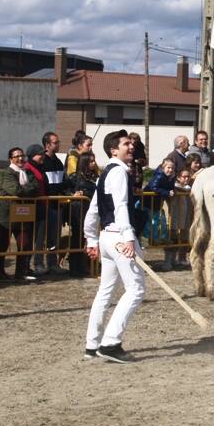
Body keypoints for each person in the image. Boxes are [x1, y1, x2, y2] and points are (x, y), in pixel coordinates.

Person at [84, 129, 148, 364]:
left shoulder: (105, 173)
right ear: (113, 149)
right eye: (125, 144)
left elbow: (93, 209)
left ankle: (92, 344)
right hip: (120, 237)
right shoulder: (119, 172)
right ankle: (110, 342)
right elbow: (120, 206)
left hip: (107, 237)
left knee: (106, 291)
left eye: (131, 143)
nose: (130, 146)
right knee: (136, 289)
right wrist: (129, 238)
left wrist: (91, 238)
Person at [0, 147, 40, 283]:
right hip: (6, 215)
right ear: (11, 159)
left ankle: (20, 272)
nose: (20, 158)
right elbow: (15, 190)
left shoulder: (27, 171)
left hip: (23, 213)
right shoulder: (8, 173)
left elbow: (35, 187)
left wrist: (24, 191)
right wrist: (25, 190)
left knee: (24, 244)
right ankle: (0, 273)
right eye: (16, 156)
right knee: (2, 244)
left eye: (22, 155)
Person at [37, 131, 66, 275]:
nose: (58, 144)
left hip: (57, 205)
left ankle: (52, 262)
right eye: (56, 142)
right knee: (40, 236)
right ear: (47, 145)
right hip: (44, 205)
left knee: (54, 236)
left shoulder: (58, 162)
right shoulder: (42, 162)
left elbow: (62, 183)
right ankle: (38, 263)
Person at [67, 150, 99, 277]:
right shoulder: (76, 177)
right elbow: (66, 188)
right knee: (78, 238)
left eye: (94, 160)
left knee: (87, 239)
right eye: (91, 161)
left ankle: (85, 265)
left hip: (90, 210)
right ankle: (74, 267)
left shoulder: (94, 176)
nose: (93, 163)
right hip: (78, 210)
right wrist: (72, 195)